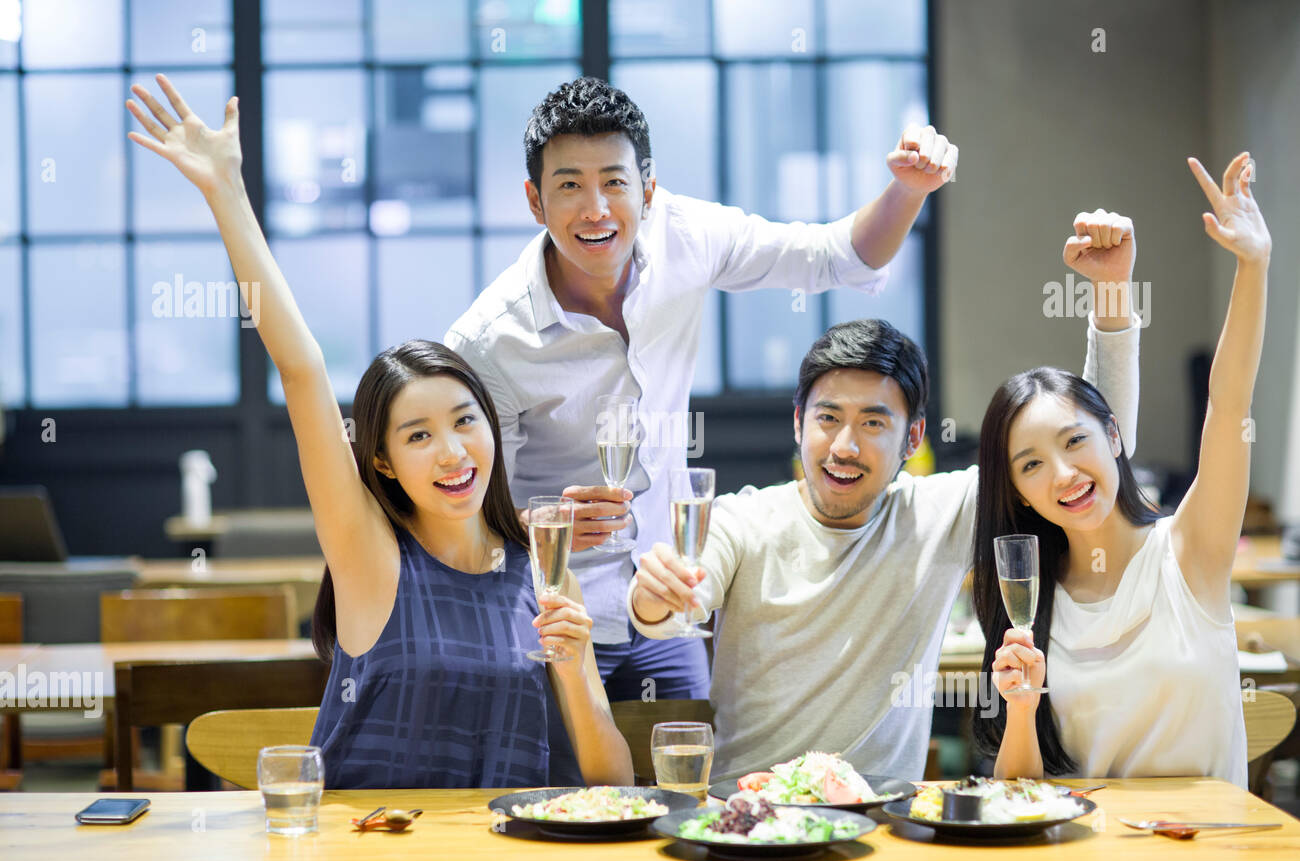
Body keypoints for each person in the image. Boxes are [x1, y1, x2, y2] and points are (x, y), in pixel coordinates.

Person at [125, 75, 632, 790]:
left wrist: (577, 670)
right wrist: (226, 192)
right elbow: (300, 370)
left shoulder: (543, 571)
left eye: (465, 421)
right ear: (384, 463)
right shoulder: (371, 557)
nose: (453, 452)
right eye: (417, 436)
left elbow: (612, 784)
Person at [446, 76, 960, 702]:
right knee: (563, 795)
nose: (596, 209)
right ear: (535, 201)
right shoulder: (488, 340)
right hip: (549, 616)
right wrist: (536, 524)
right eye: (569, 186)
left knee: (690, 779)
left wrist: (909, 189)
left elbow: (837, 256)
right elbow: (454, 511)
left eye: (614, 181)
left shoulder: (687, 236)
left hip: (666, 599)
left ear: (649, 188)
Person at [627, 206, 1143, 779]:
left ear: (912, 437)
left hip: (884, 829)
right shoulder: (740, 521)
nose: (845, 446)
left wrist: (1113, 293)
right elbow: (672, 610)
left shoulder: (937, 515)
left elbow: (1094, 440)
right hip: (750, 823)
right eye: (828, 418)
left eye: (874, 423)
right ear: (798, 423)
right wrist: (655, 595)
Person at [973, 154, 1268, 786]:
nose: (1063, 474)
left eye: (1075, 440)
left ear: (1114, 435)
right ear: (1019, 493)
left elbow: (1229, 404)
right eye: (1030, 464)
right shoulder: (1030, 604)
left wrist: (1253, 265)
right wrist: (1021, 709)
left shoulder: (1190, 552)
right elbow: (1022, 795)